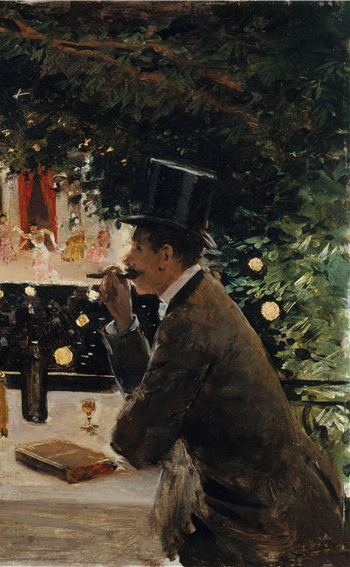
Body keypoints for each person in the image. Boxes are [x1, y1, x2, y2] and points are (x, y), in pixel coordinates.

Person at [99, 159, 346, 566]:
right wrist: (125, 322)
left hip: (267, 528)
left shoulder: (191, 320)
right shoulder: (201, 295)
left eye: (137, 247)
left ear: (165, 256)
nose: (126, 257)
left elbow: (140, 441)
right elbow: (157, 403)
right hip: (277, 508)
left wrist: (127, 428)